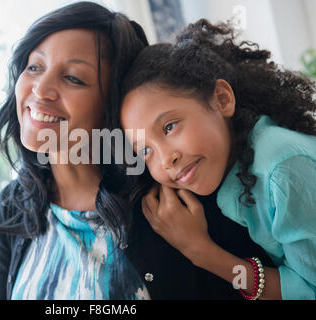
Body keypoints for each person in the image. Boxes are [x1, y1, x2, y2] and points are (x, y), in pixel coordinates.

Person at [0, 2, 272, 300]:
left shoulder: (179, 205)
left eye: (73, 78)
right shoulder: (14, 205)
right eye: (35, 67)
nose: (41, 89)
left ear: (115, 105)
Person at [119, 19, 316, 300]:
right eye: (145, 150)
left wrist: (201, 251)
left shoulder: (282, 168)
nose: (166, 159)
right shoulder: (233, 170)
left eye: (169, 127)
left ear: (222, 99)